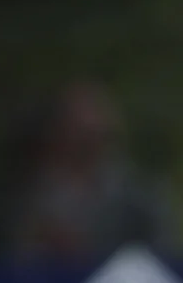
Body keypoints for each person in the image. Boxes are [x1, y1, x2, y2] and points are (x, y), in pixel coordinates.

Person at [9, 80, 171, 263]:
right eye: (78, 128)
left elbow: (161, 259)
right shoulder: (29, 196)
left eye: (93, 130)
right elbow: (10, 260)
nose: (86, 137)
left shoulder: (139, 199)